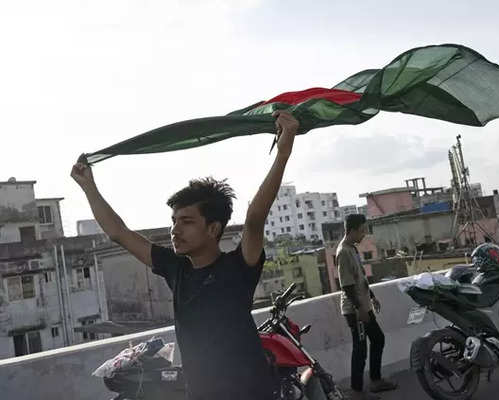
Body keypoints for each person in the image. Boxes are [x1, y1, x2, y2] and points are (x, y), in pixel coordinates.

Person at [71, 111, 299, 400]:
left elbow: (255, 217)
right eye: (174, 220)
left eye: (187, 221)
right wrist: (88, 186)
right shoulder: (175, 268)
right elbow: (119, 232)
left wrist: (283, 153)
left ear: (213, 228)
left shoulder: (239, 267)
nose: (175, 230)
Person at [336, 214, 397, 400]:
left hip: (363, 304)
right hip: (354, 309)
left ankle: (376, 381)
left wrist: (371, 297)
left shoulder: (352, 249)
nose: (364, 234)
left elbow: (360, 278)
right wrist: (360, 309)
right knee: (360, 349)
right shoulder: (343, 252)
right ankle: (356, 391)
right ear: (352, 230)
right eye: (362, 230)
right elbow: (346, 286)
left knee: (377, 339)